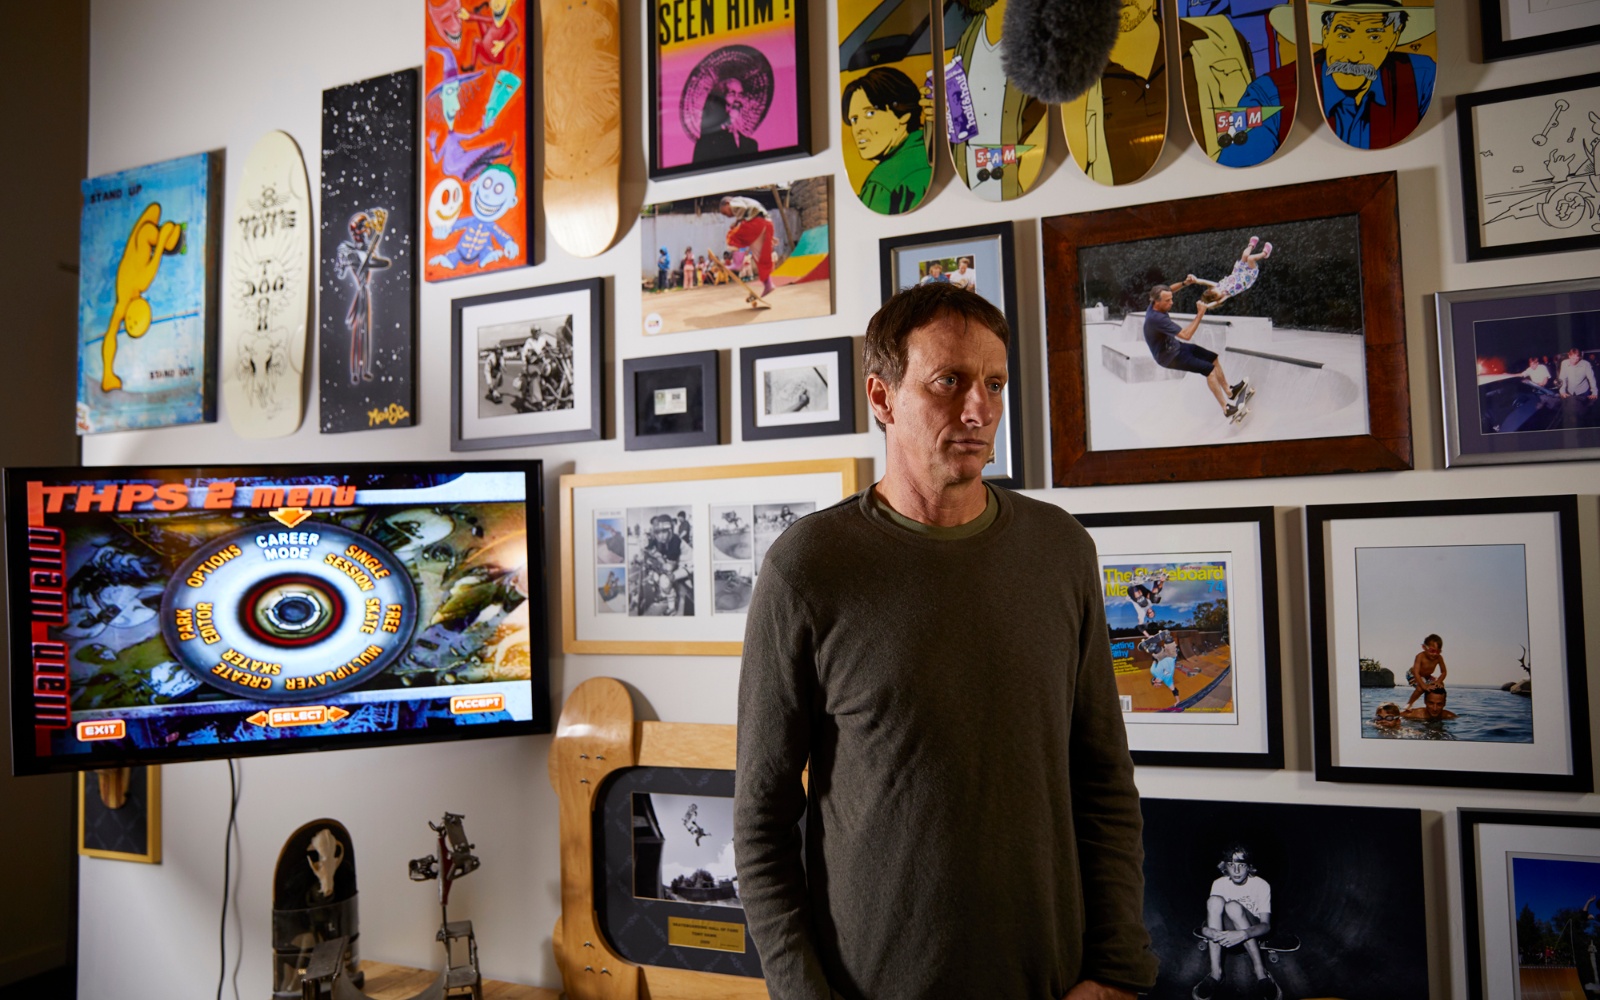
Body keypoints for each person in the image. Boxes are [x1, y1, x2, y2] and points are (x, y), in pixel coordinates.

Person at [736, 282, 1157, 1000]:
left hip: (1051, 981)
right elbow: (760, 820)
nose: (979, 410)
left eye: (994, 384)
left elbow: (1103, 780)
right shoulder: (808, 567)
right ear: (881, 397)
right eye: (948, 382)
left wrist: (1117, 971)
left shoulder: (1060, 549)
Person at [1144, 282, 1251, 422]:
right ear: (1157, 302)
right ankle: (1226, 409)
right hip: (1169, 357)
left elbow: (1170, 290)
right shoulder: (1157, 319)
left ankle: (1230, 391)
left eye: (1171, 298)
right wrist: (1200, 314)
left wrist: (1184, 283)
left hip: (1176, 347)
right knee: (1209, 369)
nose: (1172, 302)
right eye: (1167, 301)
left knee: (1212, 357)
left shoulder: (1154, 303)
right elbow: (1186, 335)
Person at [841, 66, 931, 215]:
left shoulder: (881, 183)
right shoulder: (928, 149)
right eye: (854, 120)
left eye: (870, 113)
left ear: (903, 114)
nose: (858, 129)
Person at [1194, 848, 1280, 1000]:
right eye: (1231, 864)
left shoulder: (1261, 885)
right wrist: (1208, 932)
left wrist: (1244, 934)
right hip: (1224, 937)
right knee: (1214, 900)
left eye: (1241, 864)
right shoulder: (1218, 883)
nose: (1236, 870)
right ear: (1224, 866)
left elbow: (1266, 925)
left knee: (1233, 906)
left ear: (1249, 866)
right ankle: (1216, 974)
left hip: (1250, 934)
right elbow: (1211, 918)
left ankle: (1261, 973)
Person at [1187, 237, 1274, 309]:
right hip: (1247, 277)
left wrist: (1196, 280)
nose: (1217, 292)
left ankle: (1251, 245)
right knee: (1250, 258)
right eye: (1215, 296)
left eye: (1211, 291)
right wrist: (1206, 306)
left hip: (1238, 272)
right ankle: (1265, 253)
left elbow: (1205, 282)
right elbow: (1216, 303)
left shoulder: (1218, 285)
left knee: (1245, 255)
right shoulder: (1226, 294)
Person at [719, 195, 775, 299]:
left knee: (733, 236)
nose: (727, 216)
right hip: (766, 223)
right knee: (760, 257)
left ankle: (737, 264)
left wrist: (737, 222)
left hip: (756, 222)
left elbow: (742, 208)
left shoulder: (734, 202)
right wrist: (738, 222)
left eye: (725, 213)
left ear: (727, 203)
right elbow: (745, 211)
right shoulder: (745, 204)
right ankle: (768, 285)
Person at [693, 76, 760, 164]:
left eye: (740, 94)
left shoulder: (751, 145)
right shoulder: (706, 143)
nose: (737, 99)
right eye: (732, 93)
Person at [1402, 633, 1447, 710]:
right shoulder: (1420, 656)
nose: (1435, 654)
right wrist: (1424, 686)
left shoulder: (1439, 658)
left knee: (1440, 685)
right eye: (1432, 651)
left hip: (1427, 676)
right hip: (1413, 675)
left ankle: (1434, 704)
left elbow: (1444, 672)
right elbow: (1416, 673)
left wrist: (1438, 682)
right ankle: (1409, 704)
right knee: (1420, 688)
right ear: (1424, 647)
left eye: (1438, 651)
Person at [1558, 346, 1597, 425]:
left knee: (1584, 411)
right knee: (1572, 410)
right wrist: (1562, 391)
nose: (1574, 361)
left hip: (1583, 391)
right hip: (1571, 391)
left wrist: (1594, 392)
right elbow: (1562, 378)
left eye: (1577, 359)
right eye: (1573, 358)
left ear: (1579, 357)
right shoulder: (1564, 363)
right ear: (1569, 356)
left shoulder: (1586, 364)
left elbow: (1591, 378)